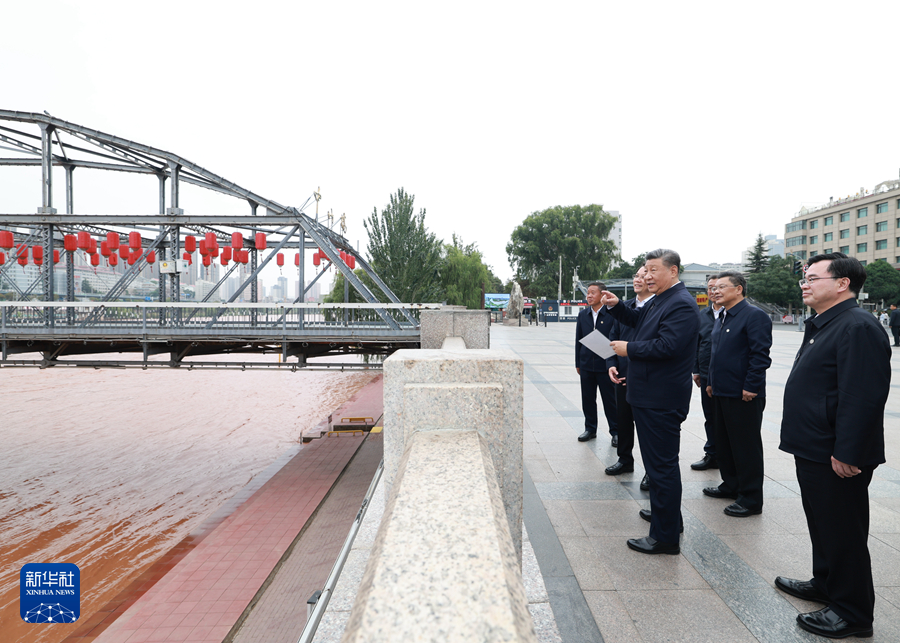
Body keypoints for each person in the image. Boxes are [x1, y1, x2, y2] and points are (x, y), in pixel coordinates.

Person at [775, 253, 891, 639]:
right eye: (803, 278)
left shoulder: (857, 326)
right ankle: (825, 582)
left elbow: (863, 396)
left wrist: (848, 451)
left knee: (843, 531)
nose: (804, 284)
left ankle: (852, 612)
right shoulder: (826, 322)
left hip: (836, 452)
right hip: (814, 444)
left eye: (812, 278)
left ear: (842, 284)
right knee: (823, 523)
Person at [601, 249, 699, 554]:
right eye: (645, 270)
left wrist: (628, 348)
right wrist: (617, 306)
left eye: (653, 270)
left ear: (673, 271)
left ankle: (664, 537)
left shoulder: (681, 303)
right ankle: (667, 518)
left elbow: (667, 346)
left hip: (660, 397)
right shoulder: (662, 300)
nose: (647, 275)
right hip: (649, 395)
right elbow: (639, 320)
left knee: (662, 467)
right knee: (659, 466)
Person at [703, 272, 772, 517]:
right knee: (724, 443)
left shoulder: (754, 316)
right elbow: (716, 354)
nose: (715, 291)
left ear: (739, 289)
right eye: (714, 287)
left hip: (743, 394)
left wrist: (751, 386)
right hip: (721, 391)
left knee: (745, 447)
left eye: (722, 287)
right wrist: (711, 382)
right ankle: (731, 485)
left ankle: (751, 498)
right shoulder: (722, 316)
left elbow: (759, 355)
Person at [604, 267, 654, 491]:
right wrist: (611, 365)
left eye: (642, 276)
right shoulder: (624, 308)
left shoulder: (655, 308)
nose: (638, 279)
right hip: (622, 374)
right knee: (623, 421)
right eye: (635, 276)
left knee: (647, 428)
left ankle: (652, 472)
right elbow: (612, 338)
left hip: (645, 376)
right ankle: (625, 460)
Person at [575, 282, 618, 444]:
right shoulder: (583, 315)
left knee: (610, 400)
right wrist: (578, 362)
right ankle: (590, 429)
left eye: (593, 293)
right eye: (588, 293)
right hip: (586, 364)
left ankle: (615, 431)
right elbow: (578, 339)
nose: (589, 296)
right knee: (587, 398)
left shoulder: (612, 314)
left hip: (606, 365)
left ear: (603, 295)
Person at [690, 276, 722, 471]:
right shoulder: (703, 315)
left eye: (717, 287)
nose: (713, 291)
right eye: (710, 288)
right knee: (710, 416)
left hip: (727, 377)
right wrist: (696, 370)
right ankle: (712, 454)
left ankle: (727, 455)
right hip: (705, 374)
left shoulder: (733, 314)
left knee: (725, 419)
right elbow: (696, 344)